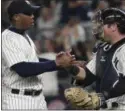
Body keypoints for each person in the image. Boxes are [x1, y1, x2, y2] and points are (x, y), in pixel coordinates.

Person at [2, 0, 75, 109]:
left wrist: (61, 64)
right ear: (16, 17)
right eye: (28, 13)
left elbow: (33, 60)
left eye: (33, 13)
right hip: (18, 99)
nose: (32, 16)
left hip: (37, 98)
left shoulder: (24, 36)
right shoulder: (7, 38)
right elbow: (22, 68)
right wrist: (55, 64)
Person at [64, 7, 125, 110]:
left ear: (114, 26)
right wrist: (70, 67)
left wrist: (101, 97)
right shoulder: (103, 49)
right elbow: (88, 76)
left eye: (102, 24)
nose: (98, 28)